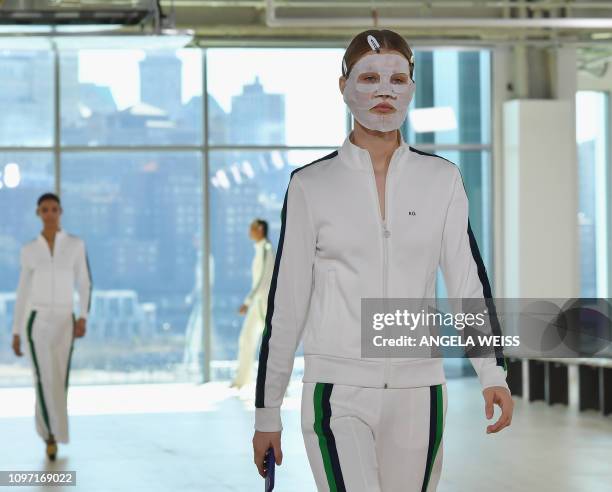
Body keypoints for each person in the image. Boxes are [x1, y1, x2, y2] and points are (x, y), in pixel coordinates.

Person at [252, 29, 514, 491]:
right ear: (343, 86)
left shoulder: (442, 179)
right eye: (369, 77)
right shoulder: (311, 186)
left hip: (420, 393)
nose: (383, 92)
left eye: (397, 79)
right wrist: (267, 411)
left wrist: (491, 371)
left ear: (412, 87)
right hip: (336, 389)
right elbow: (287, 305)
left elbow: (466, 282)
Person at [11, 192, 92, 461]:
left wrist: (82, 316)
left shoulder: (75, 245)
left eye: (54, 209)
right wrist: (16, 331)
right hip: (38, 321)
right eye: (44, 209)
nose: (49, 214)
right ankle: (50, 437)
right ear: (38, 213)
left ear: (60, 212)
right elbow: (22, 292)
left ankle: (57, 430)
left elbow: (84, 282)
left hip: (64, 321)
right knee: (43, 377)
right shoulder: (29, 250)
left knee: (59, 378)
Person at [231, 219, 275, 389]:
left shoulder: (266, 249)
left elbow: (263, 280)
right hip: (257, 304)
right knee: (246, 338)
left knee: (269, 343)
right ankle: (241, 380)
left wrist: (247, 302)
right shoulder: (259, 250)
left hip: (264, 304)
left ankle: (276, 384)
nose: (249, 231)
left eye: (252, 228)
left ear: (261, 229)